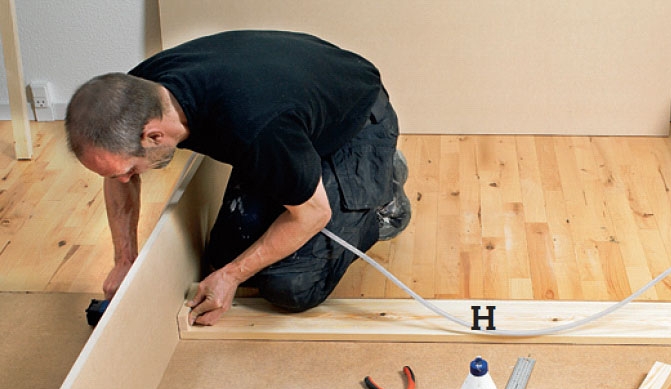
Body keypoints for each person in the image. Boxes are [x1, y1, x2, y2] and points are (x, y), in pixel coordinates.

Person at [65, 30, 411, 325]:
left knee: (293, 286)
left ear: (154, 135)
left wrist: (231, 276)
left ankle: (382, 191)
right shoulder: (136, 96)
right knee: (224, 253)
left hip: (356, 122)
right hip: (291, 116)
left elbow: (313, 214)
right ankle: (306, 170)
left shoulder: (254, 125)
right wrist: (125, 260)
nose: (125, 179)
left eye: (129, 171)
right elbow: (117, 173)